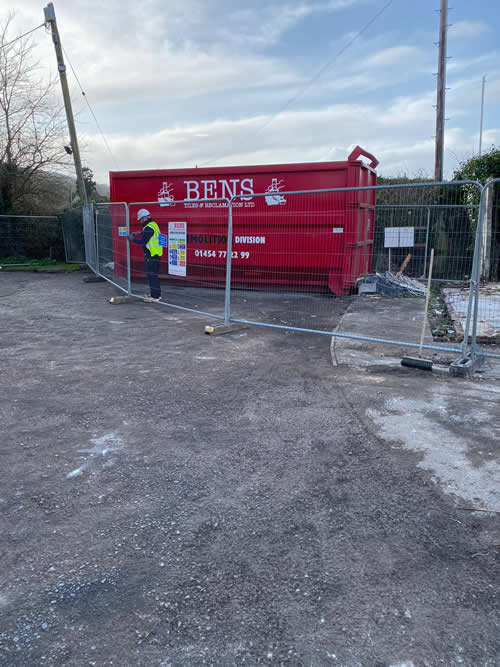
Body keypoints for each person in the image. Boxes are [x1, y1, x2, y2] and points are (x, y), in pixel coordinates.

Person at [128, 209, 163, 302]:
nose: (140, 221)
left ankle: (154, 297)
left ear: (145, 218)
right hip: (156, 254)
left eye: (141, 219)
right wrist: (139, 233)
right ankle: (156, 295)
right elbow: (149, 234)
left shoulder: (148, 228)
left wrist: (132, 239)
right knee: (153, 276)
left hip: (151, 256)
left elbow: (143, 241)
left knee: (151, 276)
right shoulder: (153, 225)